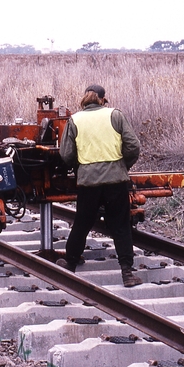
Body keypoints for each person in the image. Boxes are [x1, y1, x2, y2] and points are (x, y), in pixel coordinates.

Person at [57, 84, 143, 288]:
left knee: (82, 223)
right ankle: (127, 273)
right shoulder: (115, 115)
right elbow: (133, 146)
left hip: (89, 183)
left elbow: (66, 154)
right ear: (103, 99)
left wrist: (80, 168)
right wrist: (123, 166)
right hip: (116, 181)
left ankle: (70, 264)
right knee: (120, 226)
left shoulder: (75, 119)